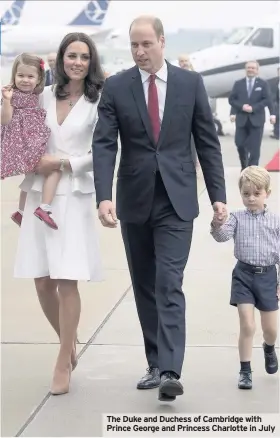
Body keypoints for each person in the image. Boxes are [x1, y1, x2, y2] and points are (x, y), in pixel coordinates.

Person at [92, 15, 227, 402]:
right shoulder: (117, 87)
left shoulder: (190, 83)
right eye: (134, 45)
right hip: (134, 201)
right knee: (145, 285)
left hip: (177, 200)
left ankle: (170, 369)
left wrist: (217, 193)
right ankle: (155, 361)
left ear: (162, 42)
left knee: (168, 282)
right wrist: (104, 195)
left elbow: (207, 142)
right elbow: (104, 144)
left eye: (146, 44)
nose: (139, 52)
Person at [14, 32, 104, 395]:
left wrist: (65, 163)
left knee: (67, 280)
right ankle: (70, 342)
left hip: (74, 196)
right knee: (41, 280)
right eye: (71, 55)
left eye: (84, 56)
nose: (77, 62)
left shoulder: (100, 102)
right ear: (61, 60)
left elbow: (104, 151)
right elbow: (22, 135)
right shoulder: (44, 95)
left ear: (91, 60)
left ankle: (63, 358)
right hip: (40, 192)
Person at [211, 166, 279, 390]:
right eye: (246, 193)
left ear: (267, 193)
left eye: (256, 193)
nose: (251, 198)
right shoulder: (236, 218)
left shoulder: (275, 222)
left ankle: (269, 347)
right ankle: (245, 370)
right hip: (243, 276)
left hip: (268, 276)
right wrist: (217, 223)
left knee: (270, 330)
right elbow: (221, 237)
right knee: (247, 325)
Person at [1, 53, 65, 230]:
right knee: (55, 168)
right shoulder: (10, 94)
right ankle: (44, 207)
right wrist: (6, 101)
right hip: (23, 144)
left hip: (33, 142)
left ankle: (21, 212)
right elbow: (4, 120)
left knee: (32, 177)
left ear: (38, 79)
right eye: (21, 75)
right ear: (14, 75)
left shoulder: (39, 95)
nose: (25, 80)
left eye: (30, 76)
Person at [229, 60, 275, 170]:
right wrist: (240, 107)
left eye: (253, 68)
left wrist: (271, 114)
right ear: (245, 69)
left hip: (257, 119)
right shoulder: (238, 83)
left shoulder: (263, 84)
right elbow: (232, 99)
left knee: (255, 148)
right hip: (241, 119)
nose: (250, 70)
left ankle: (252, 170)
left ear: (257, 70)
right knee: (239, 144)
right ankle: (244, 166)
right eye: (248, 68)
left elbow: (267, 100)